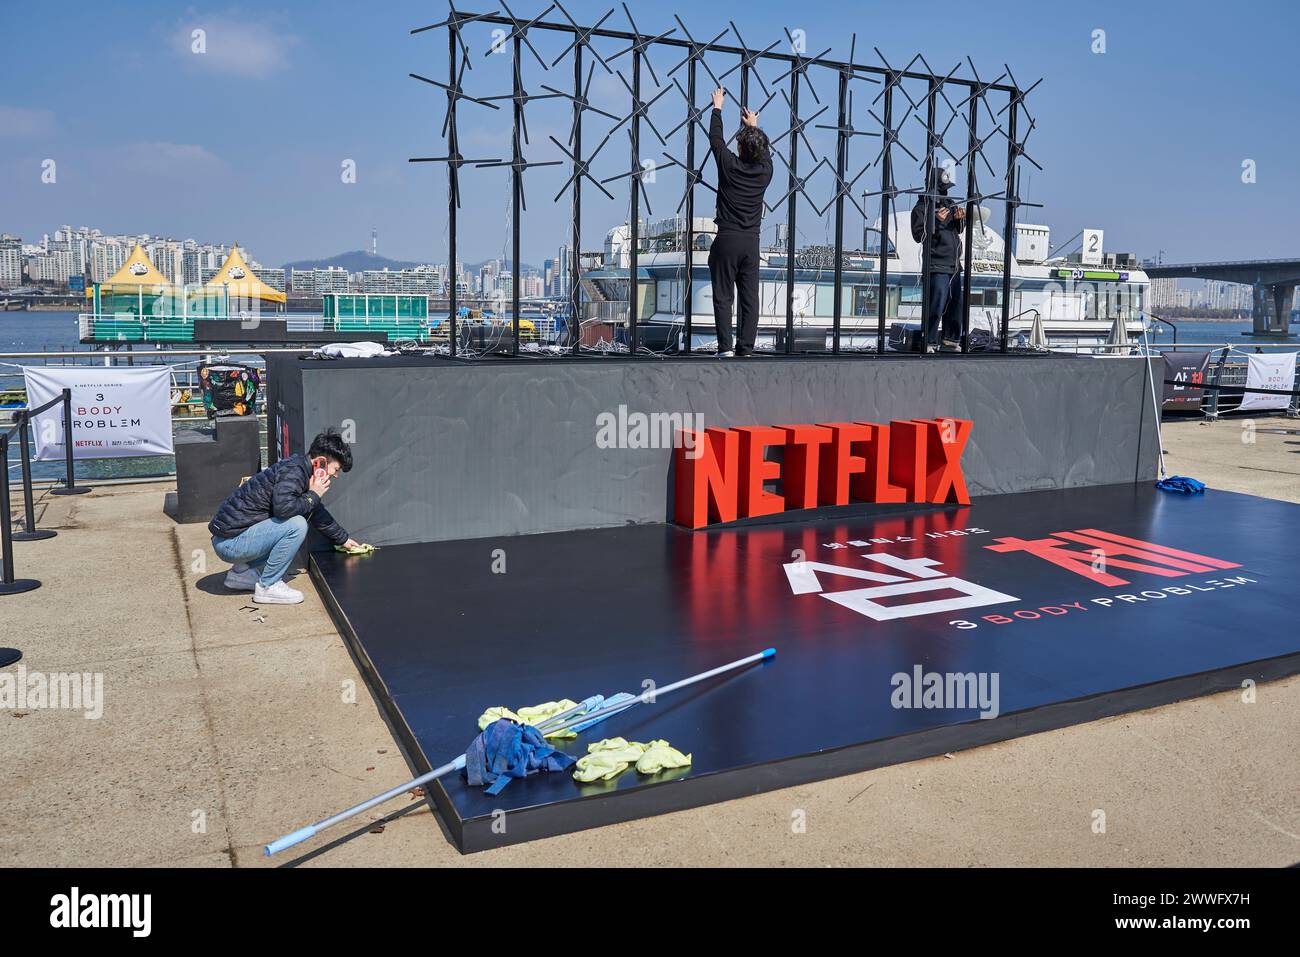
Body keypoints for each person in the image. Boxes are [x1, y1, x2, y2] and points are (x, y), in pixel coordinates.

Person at [208, 427, 362, 605]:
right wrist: (313, 495)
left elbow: (315, 511)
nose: (336, 475)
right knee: (297, 525)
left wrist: (343, 539)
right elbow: (284, 509)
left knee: (300, 516)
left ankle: (240, 574)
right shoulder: (294, 472)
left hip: (227, 539)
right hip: (229, 544)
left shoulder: (301, 471)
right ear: (320, 461)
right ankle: (268, 586)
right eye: (336, 469)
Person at [707, 87, 773, 357]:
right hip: (751, 242)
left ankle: (724, 348)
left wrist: (717, 107)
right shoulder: (765, 172)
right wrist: (754, 125)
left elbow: (715, 140)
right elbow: (763, 153)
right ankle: (745, 349)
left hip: (727, 239)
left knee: (723, 297)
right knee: (749, 298)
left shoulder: (729, 166)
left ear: (742, 149)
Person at [911, 165, 967, 350]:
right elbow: (919, 235)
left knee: (955, 304)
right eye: (943, 187)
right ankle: (929, 340)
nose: (945, 191)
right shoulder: (922, 207)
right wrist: (934, 221)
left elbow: (957, 230)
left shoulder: (949, 204)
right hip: (936, 264)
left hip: (954, 265)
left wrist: (959, 219)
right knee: (936, 303)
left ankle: (951, 339)